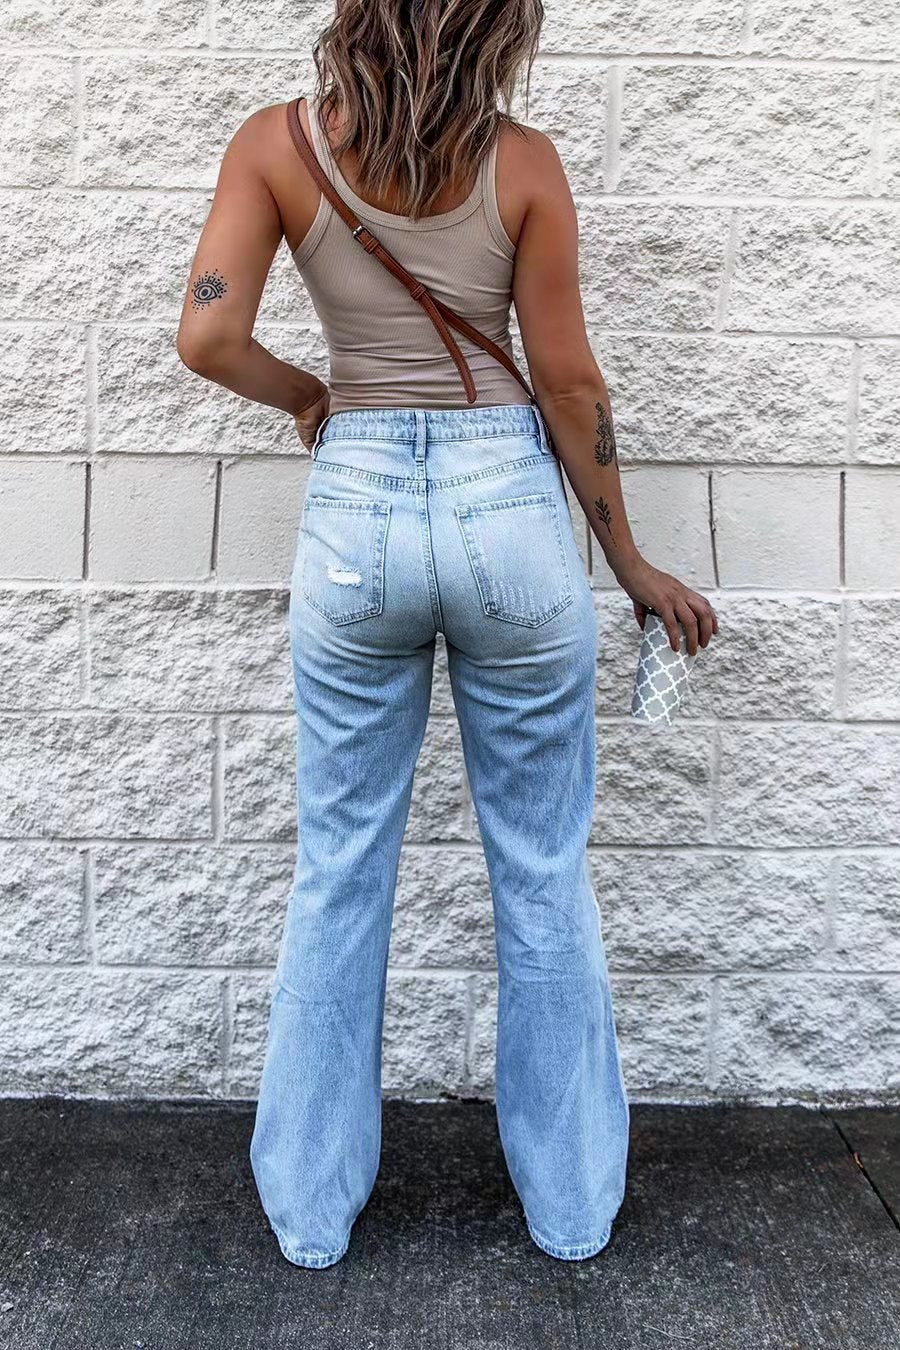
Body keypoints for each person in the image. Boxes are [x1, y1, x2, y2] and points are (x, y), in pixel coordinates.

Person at [176, 0, 717, 1270]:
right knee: (540, 869)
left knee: (339, 867)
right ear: (496, 32)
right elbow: (569, 382)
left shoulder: (273, 146)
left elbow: (207, 333)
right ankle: (571, 1210)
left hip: (356, 507)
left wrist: (311, 393)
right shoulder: (522, 164)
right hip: (508, 508)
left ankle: (311, 1215)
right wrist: (629, 562)